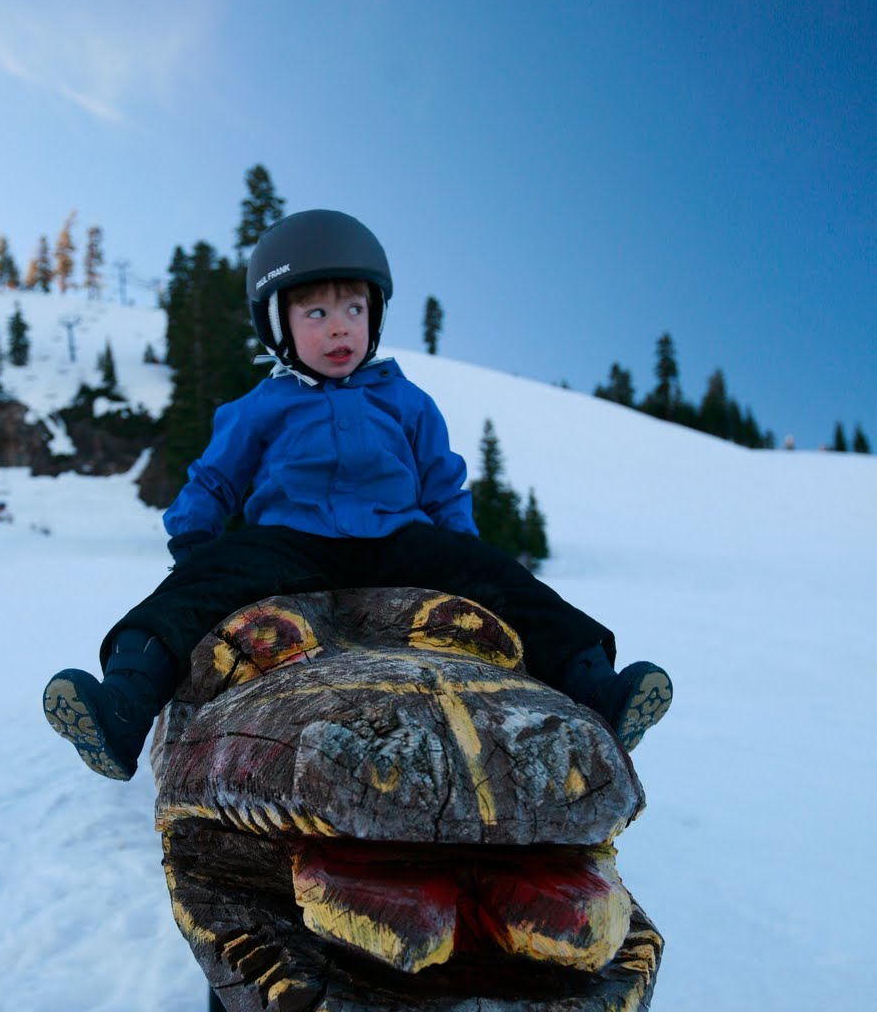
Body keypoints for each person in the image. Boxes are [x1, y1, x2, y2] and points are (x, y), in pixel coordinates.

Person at [43, 209, 672, 781]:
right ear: (278, 323)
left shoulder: (405, 400)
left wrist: (460, 550)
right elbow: (216, 477)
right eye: (316, 313)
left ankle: (600, 691)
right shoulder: (264, 403)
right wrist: (196, 542)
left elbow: (441, 479)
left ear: (374, 317)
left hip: (396, 539)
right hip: (290, 544)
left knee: (503, 581)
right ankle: (124, 704)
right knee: (199, 588)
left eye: (354, 309)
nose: (339, 327)